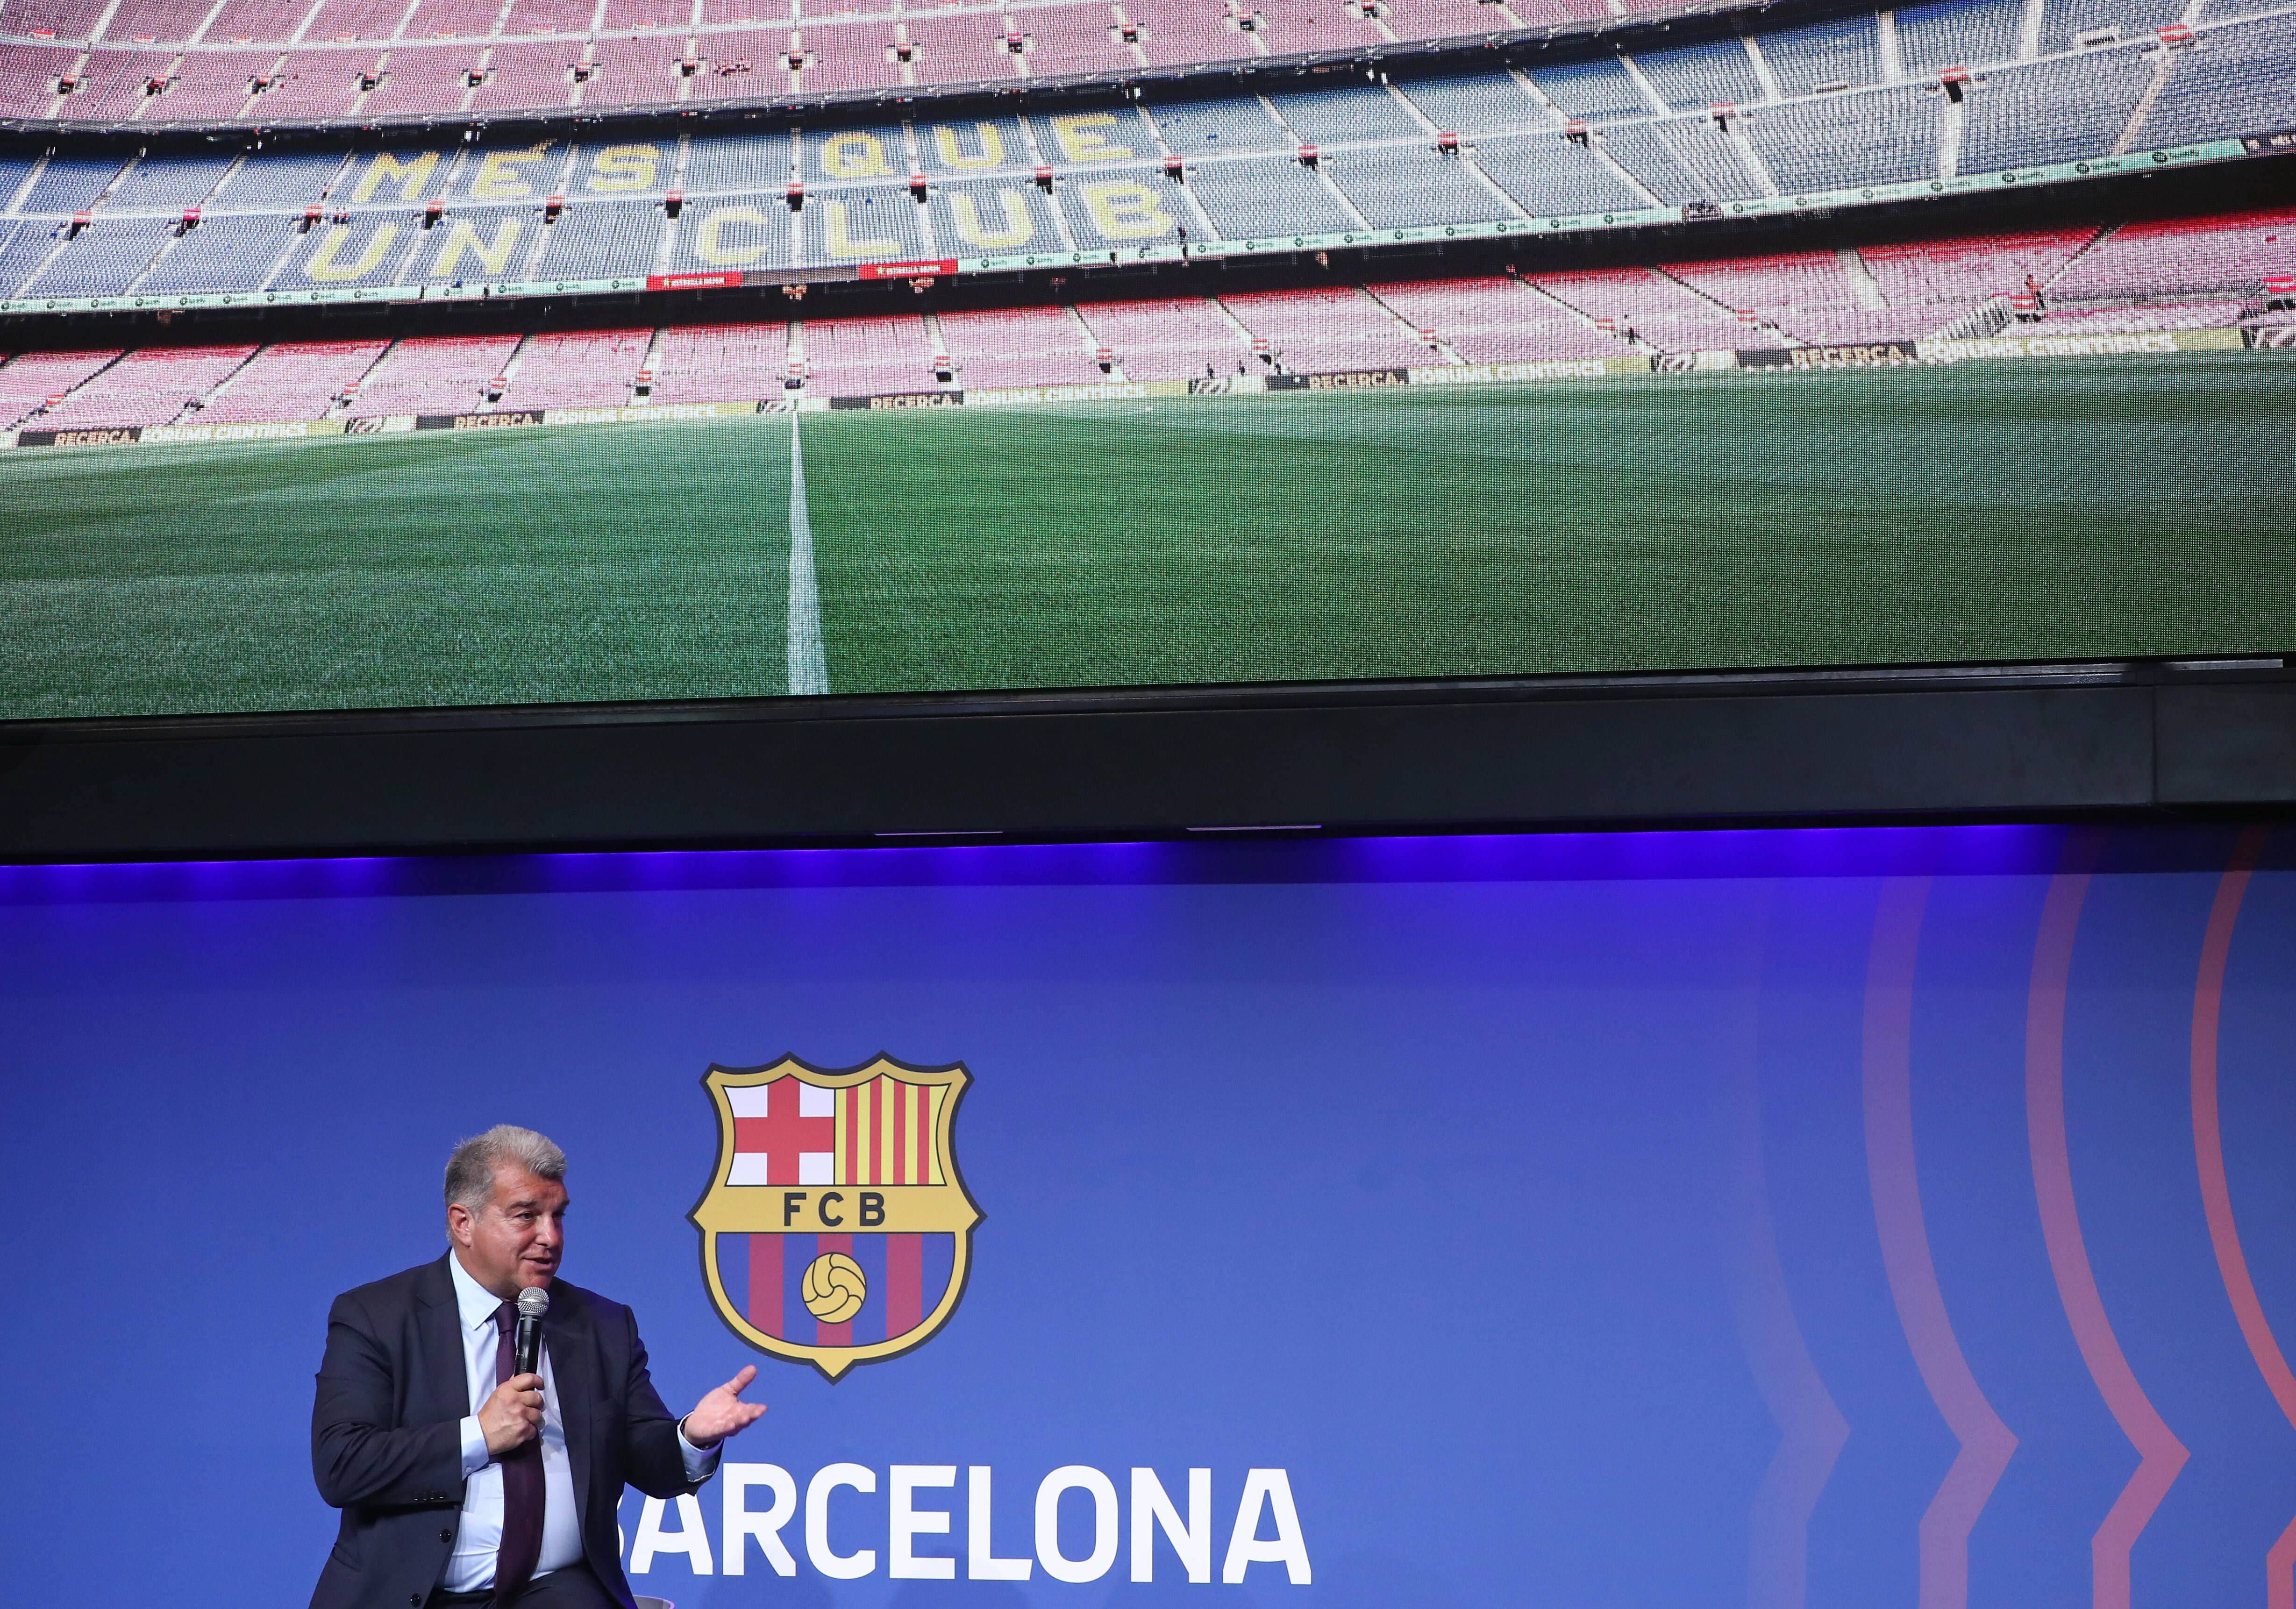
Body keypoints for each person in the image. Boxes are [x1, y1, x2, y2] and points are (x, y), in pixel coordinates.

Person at [309, 1125, 767, 1609]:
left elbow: (648, 1460)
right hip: (412, 1594)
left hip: (554, 1590)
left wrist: (693, 1436)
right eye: (526, 1216)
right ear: (463, 1223)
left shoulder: (601, 1326)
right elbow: (343, 1465)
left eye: (558, 1216)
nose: (550, 1237)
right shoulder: (377, 1317)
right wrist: (479, 1436)